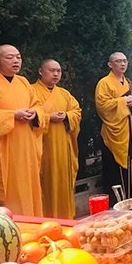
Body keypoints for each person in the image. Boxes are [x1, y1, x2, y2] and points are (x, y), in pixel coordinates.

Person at [0, 45, 44, 215]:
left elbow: (38, 105)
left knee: (30, 188)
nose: (15, 61)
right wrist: (12, 114)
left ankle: (34, 225)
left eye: (18, 57)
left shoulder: (23, 82)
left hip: (26, 146)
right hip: (5, 146)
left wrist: (34, 113)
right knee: (10, 190)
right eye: (10, 57)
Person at [32, 59, 81, 219]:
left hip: (62, 149)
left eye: (58, 71)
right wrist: (47, 117)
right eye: (51, 70)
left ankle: (67, 219)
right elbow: (29, 115)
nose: (55, 74)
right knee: (44, 185)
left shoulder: (64, 94)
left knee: (63, 185)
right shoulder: (31, 91)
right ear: (41, 71)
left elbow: (76, 111)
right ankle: (45, 220)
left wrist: (67, 116)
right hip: (42, 148)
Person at [95, 52, 132, 206]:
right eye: (118, 61)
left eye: (125, 61)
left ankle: (128, 201)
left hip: (128, 130)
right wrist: (123, 101)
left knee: (128, 170)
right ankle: (113, 203)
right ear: (110, 64)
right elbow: (102, 106)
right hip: (112, 131)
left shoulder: (128, 83)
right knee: (112, 170)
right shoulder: (104, 83)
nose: (123, 64)